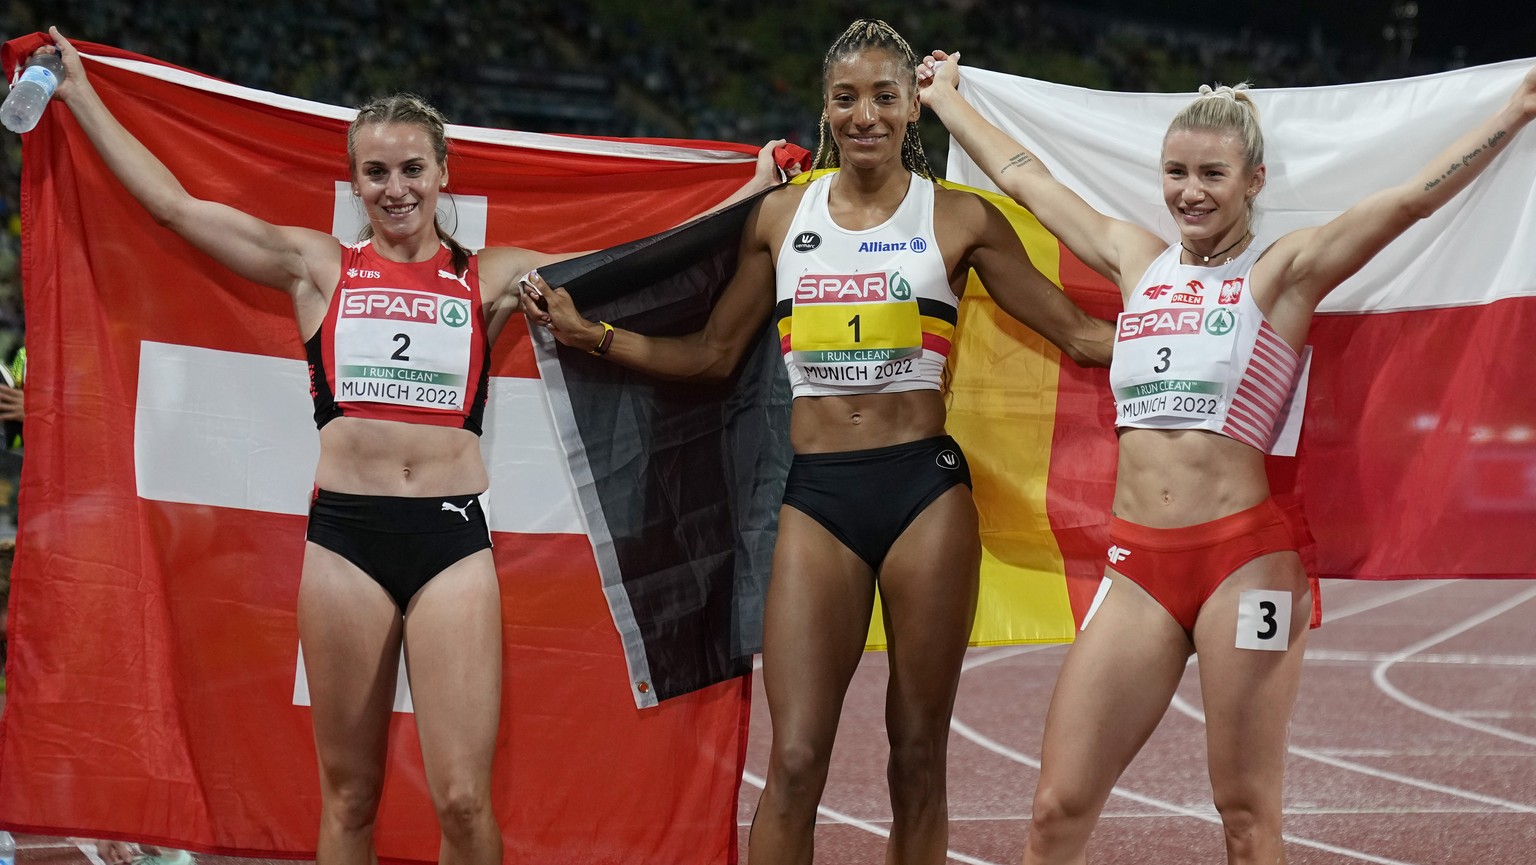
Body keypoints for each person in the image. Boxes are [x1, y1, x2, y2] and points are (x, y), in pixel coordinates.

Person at [35, 27, 783, 865]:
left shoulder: (488, 277)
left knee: (464, 800)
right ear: (353, 181)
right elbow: (174, 205)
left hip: (450, 540)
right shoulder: (316, 267)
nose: (395, 189)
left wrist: (749, 194)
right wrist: (78, 93)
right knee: (350, 795)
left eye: (412, 169)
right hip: (345, 543)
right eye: (376, 172)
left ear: (442, 174)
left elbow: (633, 264)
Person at [918, 50, 1536, 865]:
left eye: (1213, 173)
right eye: (1176, 172)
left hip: (1246, 563)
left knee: (1245, 814)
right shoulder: (1137, 260)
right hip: (1137, 564)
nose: (1190, 191)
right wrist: (948, 100)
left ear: (1254, 181)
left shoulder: (1281, 273)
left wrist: (1516, 112)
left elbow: (1409, 203)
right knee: (1056, 808)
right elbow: (1027, 178)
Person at [521, 19, 1112, 865]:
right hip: (820, 498)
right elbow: (714, 353)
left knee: (916, 756)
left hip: (924, 496)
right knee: (795, 759)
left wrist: (1201, 323)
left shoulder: (960, 219)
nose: (863, 113)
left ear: (914, 107)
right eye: (846, 98)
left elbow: (1082, 337)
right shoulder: (780, 217)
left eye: (883, 96)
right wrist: (596, 337)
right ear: (826, 109)